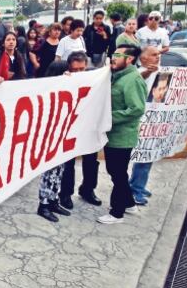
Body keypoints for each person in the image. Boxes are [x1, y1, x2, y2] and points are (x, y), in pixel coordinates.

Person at [97, 46, 148, 224]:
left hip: (122, 135)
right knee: (115, 171)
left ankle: (116, 212)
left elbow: (136, 109)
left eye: (118, 55)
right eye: (113, 54)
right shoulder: (117, 76)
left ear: (130, 59)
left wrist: (108, 118)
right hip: (113, 134)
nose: (113, 58)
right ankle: (129, 203)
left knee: (117, 173)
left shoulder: (132, 80)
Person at [36, 54, 87, 222]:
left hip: (63, 135)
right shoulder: (49, 90)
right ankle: (43, 205)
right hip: (51, 136)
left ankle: (53, 200)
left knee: (59, 171)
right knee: (49, 172)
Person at [129, 46, 161, 206]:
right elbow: (139, 78)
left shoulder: (160, 71)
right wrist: (148, 72)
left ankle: (137, 184)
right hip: (143, 120)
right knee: (145, 156)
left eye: (159, 54)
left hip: (154, 119)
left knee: (149, 156)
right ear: (143, 58)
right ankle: (136, 190)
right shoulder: (139, 72)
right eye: (154, 55)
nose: (157, 57)